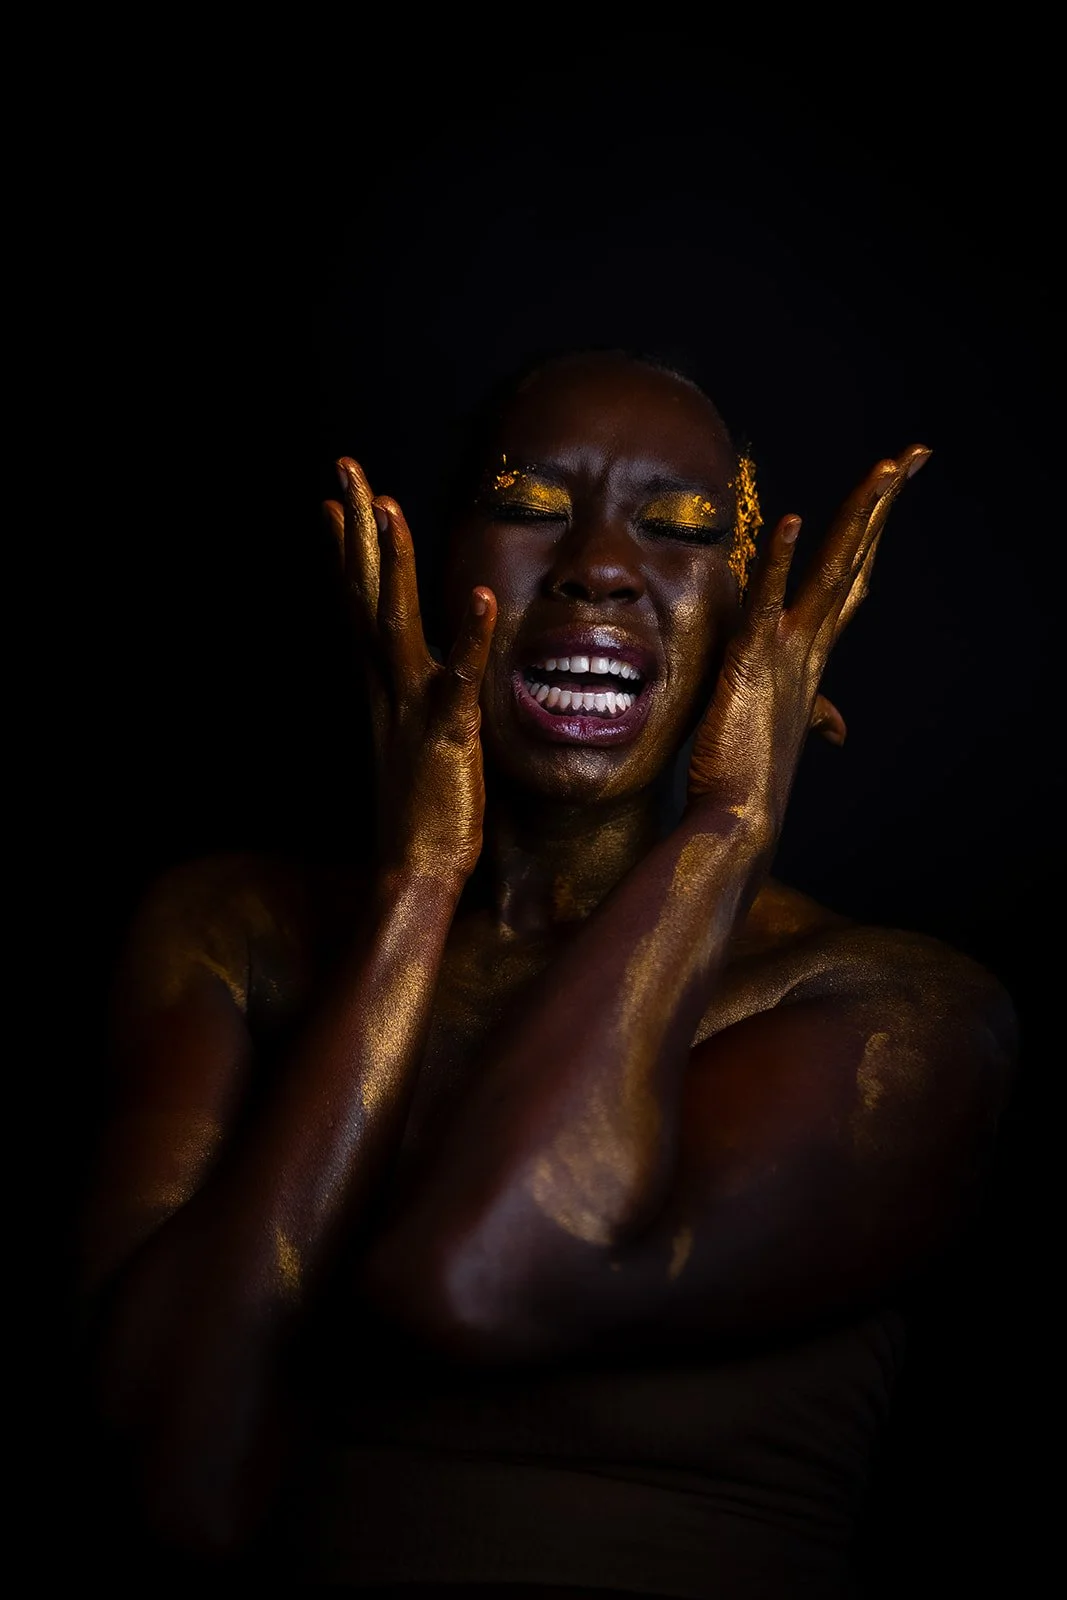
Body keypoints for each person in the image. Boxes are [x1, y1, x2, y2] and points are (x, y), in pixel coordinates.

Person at [75, 348, 1018, 1594]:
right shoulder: (229, 931)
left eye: (677, 530)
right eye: (525, 509)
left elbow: (474, 1274)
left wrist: (727, 828)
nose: (598, 569)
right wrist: (416, 885)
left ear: (751, 623)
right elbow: (176, 1483)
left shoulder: (899, 1013)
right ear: (434, 559)